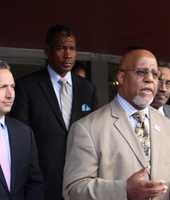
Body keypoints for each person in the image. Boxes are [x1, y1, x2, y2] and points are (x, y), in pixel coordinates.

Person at [63, 49, 170, 200]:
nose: (150, 79)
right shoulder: (87, 129)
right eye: (141, 72)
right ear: (121, 77)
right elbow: (73, 191)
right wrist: (124, 191)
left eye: (155, 74)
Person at [10, 24, 97, 200]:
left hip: (80, 181)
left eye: (72, 48)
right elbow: (20, 139)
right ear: (47, 51)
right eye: (61, 48)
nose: (68, 55)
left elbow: (97, 133)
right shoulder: (27, 87)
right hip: (42, 183)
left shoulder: (87, 89)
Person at [0, 61, 43, 200]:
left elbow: (35, 183)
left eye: (12, 87)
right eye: (3, 87)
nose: (10, 94)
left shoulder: (24, 134)